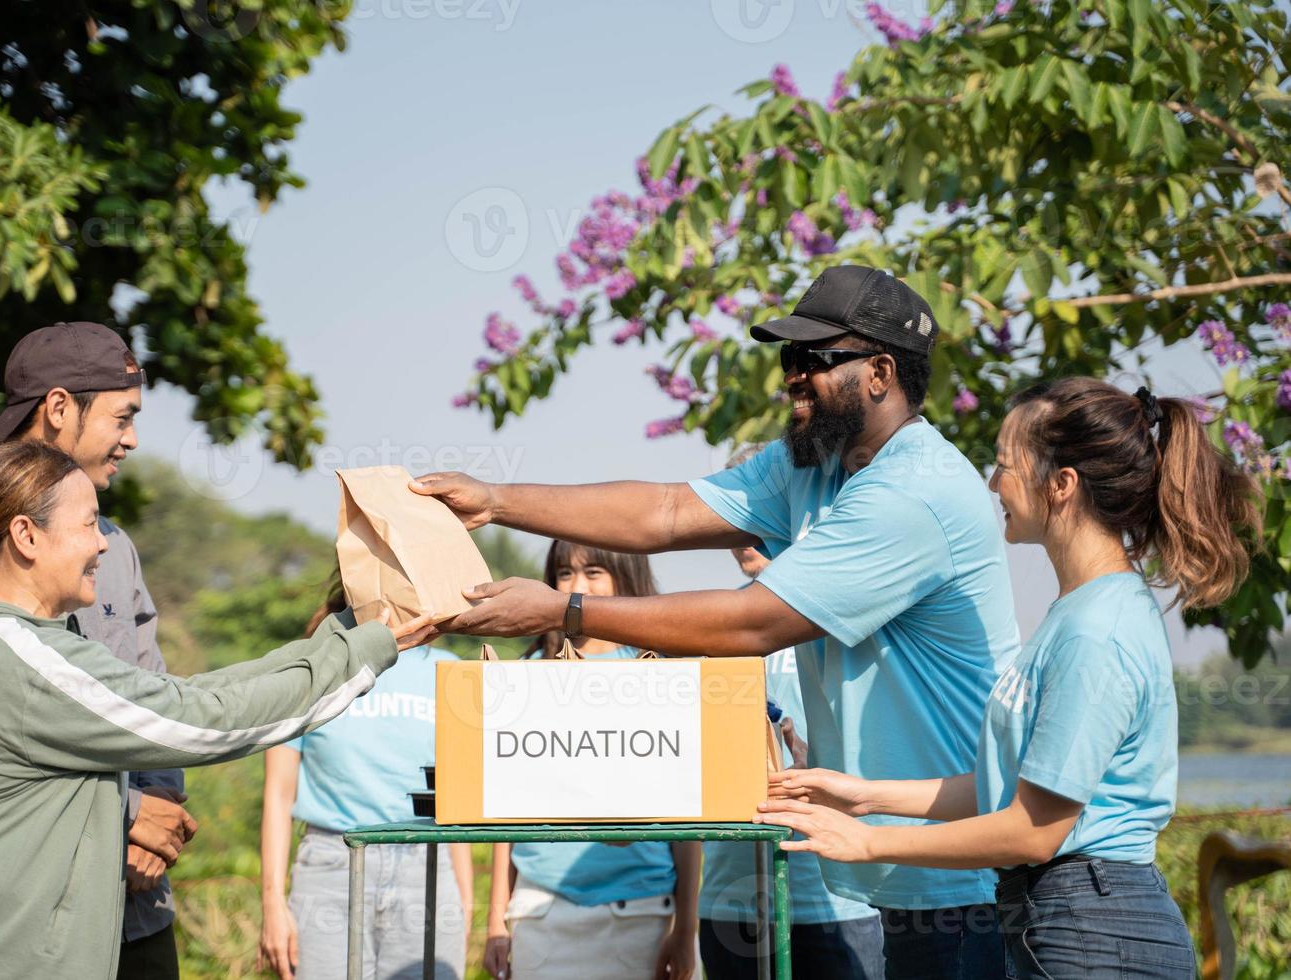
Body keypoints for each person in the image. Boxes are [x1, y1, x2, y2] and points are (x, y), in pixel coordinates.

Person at [415, 265, 1021, 978]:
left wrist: (563, 609)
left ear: (881, 372)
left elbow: (754, 623)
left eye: (813, 360)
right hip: (900, 869)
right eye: (787, 358)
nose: (792, 377)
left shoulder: (911, 492)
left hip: (963, 876)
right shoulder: (816, 465)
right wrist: (495, 500)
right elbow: (666, 512)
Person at [0, 441, 434, 980]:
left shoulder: (32, 649)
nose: (104, 544)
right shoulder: (25, 661)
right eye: (89, 523)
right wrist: (368, 649)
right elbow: (206, 721)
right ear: (26, 536)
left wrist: (353, 632)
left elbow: (196, 694)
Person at [758, 379, 1260, 979]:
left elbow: (1034, 830)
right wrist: (865, 795)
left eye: (1003, 467)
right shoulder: (1077, 612)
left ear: (1062, 485)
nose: (993, 485)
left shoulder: (1097, 630)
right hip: (1063, 920)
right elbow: (1018, 789)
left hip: (1096, 932)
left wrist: (867, 841)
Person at [0, 321, 194, 976]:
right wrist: (135, 814)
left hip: (133, 904)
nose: (132, 439)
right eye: (122, 417)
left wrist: (162, 809)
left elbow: (153, 693)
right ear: (57, 409)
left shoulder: (114, 544)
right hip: (12, 915)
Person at [482, 541, 700, 980]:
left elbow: (688, 821)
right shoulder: (527, 678)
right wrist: (495, 924)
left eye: (594, 572)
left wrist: (685, 930)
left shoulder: (659, 672)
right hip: (540, 910)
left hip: (642, 913)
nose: (575, 586)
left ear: (627, 579)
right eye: (564, 574)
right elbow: (505, 809)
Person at [259, 577, 473, 980]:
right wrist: (273, 902)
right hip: (330, 868)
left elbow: (456, 803)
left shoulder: (452, 673)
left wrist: (464, 900)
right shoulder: (310, 667)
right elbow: (278, 795)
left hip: (426, 865)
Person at [699, 519, 883, 980]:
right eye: (731, 525)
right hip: (734, 898)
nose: (744, 539)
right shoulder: (711, 625)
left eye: (759, 520)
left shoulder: (851, 612)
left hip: (838, 900)